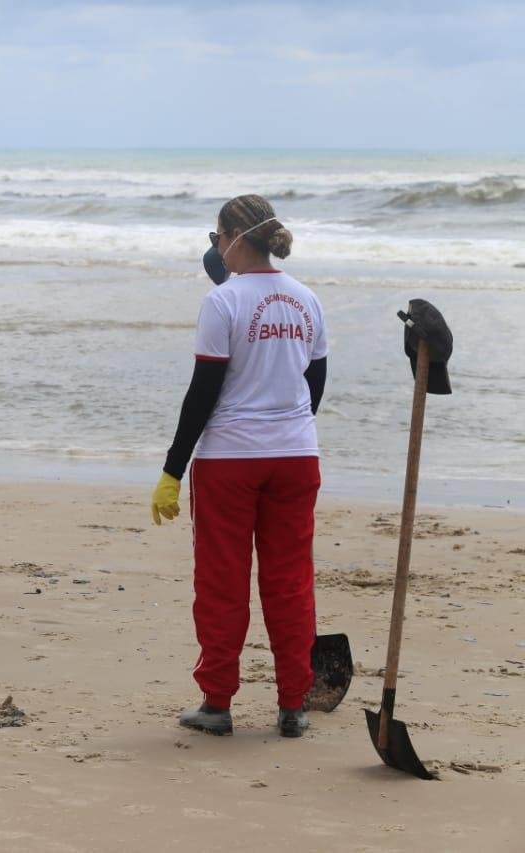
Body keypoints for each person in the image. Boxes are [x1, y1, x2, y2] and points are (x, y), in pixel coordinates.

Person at [151, 194, 328, 739]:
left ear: (233, 235)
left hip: (231, 459)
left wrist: (172, 470)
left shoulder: (223, 302)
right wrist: (286, 428)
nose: (215, 248)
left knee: (223, 582)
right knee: (290, 581)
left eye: (216, 235)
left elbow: (202, 392)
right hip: (297, 456)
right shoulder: (306, 299)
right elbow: (314, 384)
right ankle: (293, 705)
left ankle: (217, 703)